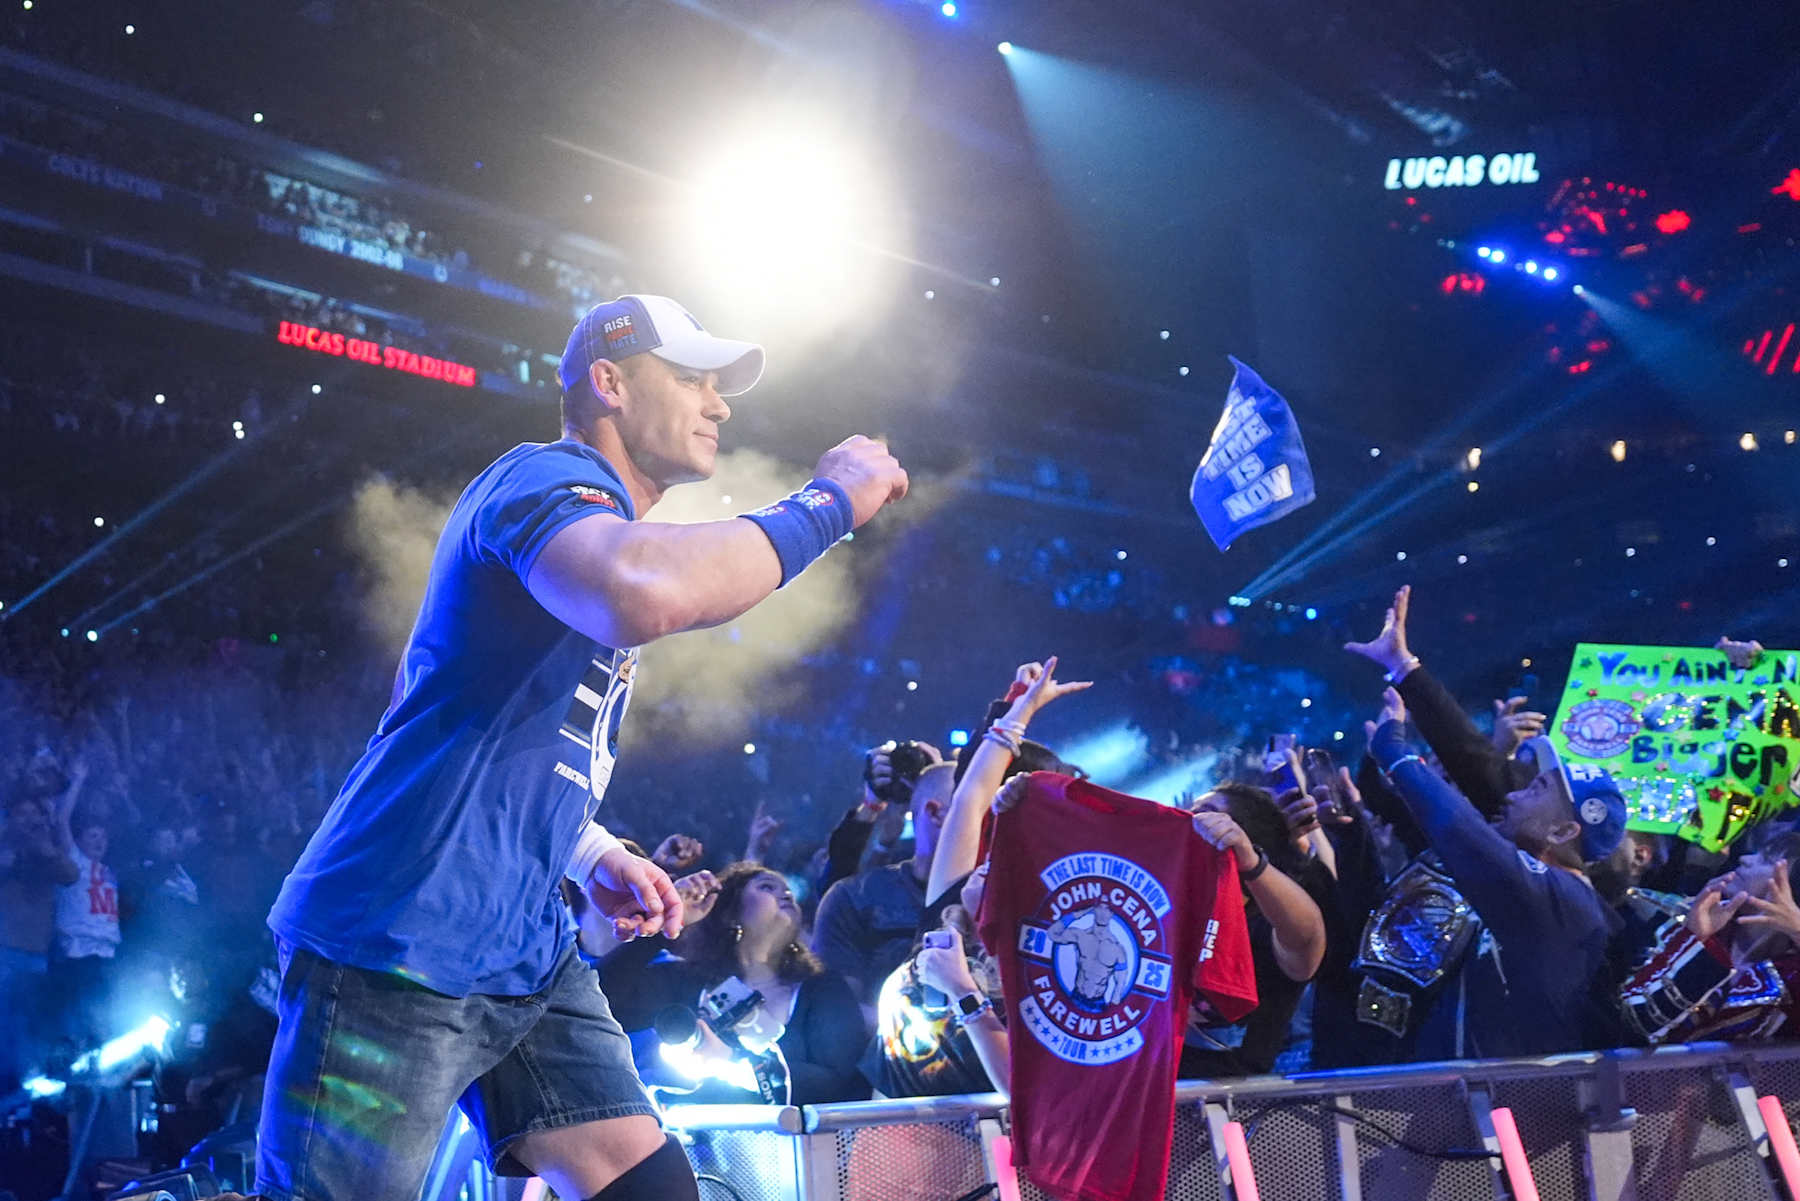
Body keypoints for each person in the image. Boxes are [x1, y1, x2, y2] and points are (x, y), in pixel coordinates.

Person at [259, 294, 908, 1201]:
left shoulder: (589, 524)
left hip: (522, 947)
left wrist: (587, 846)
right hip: (397, 941)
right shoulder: (540, 478)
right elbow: (636, 589)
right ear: (609, 380)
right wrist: (828, 500)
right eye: (691, 379)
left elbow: (463, 714)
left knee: (650, 1192)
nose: (719, 404)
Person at [604, 864, 870, 1104]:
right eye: (767, 887)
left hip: (802, 1151)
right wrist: (667, 923)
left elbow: (841, 1080)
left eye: (789, 891)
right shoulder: (686, 981)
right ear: (730, 913)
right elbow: (600, 999)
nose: (786, 894)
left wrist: (733, 1063)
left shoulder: (822, 987)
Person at [1182, 782, 1329, 1077]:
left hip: (1228, 1109)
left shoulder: (1264, 926)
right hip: (1146, 1094)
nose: (1186, 820)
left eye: (1205, 814)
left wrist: (1251, 861)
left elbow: (1307, 937)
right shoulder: (1168, 911)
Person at [1621, 835, 1800, 1044]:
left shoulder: (1791, 972)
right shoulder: (1689, 919)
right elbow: (1635, 1021)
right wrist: (1695, 938)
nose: (1745, 858)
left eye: (1766, 860)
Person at [811, 761, 957, 1007]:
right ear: (934, 813)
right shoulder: (854, 898)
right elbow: (843, 1012)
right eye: (975, 807)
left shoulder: (1002, 897)